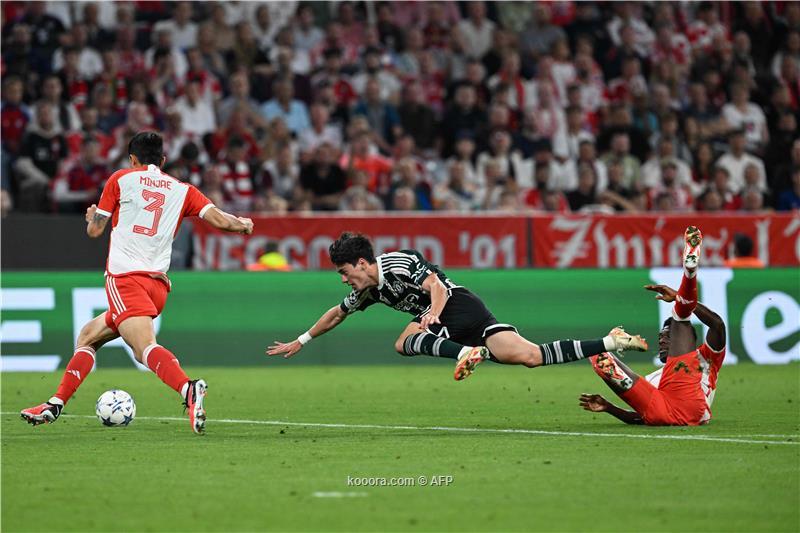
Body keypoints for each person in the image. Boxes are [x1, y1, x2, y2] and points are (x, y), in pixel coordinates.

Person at [20, 132, 254, 434]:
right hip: (157, 287)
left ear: (132, 160)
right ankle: (55, 404)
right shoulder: (182, 189)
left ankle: (188, 389)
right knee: (89, 336)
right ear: (164, 161)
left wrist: (93, 217)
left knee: (143, 348)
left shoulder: (120, 179)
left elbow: (95, 231)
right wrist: (243, 225)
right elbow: (222, 220)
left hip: (126, 279)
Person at [267, 233, 648, 380]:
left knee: (404, 342)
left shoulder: (397, 261)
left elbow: (435, 285)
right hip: (462, 318)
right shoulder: (368, 291)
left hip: (457, 306)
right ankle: (613, 341)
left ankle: (466, 352)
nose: (343, 278)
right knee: (530, 356)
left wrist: (431, 314)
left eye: (345, 271)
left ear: (364, 263)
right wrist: (302, 339)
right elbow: (337, 313)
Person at [579, 226, 728, 426]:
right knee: (598, 355)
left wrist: (678, 297)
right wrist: (609, 408)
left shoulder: (706, 358)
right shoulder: (654, 378)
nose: (662, 339)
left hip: (690, 405)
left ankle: (688, 277)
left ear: (688, 340)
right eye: (661, 336)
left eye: (668, 336)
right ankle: (618, 341)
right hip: (660, 414)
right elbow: (641, 416)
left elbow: (717, 325)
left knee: (679, 316)